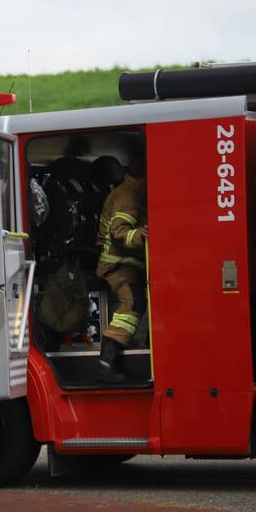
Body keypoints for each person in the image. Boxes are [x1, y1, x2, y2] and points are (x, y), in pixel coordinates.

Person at [95, 159, 148, 383]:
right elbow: (119, 233)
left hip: (127, 264)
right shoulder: (127, 194)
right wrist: (143, 235)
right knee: (133, 302)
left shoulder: (133, 191)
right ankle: (106, 362)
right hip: (117, 265)